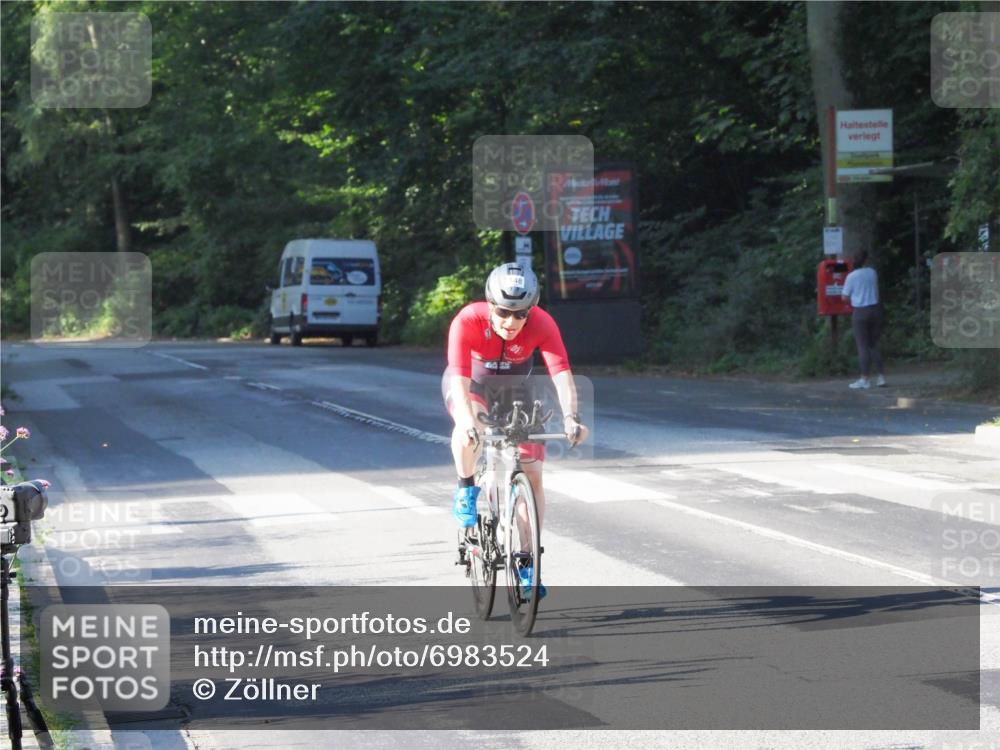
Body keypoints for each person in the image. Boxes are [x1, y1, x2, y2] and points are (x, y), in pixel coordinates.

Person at [443, 262, 589, 599]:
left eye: (520, 314)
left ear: (531, 311)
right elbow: (459, 378)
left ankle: (526, 560)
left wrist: (572, 418)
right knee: (471, 424)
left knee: (532, 473)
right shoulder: (467, 320)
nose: (511, 322)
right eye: (503, 312)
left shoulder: (542, 323)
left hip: (515, 391)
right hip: (471, 386)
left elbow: (561, 372)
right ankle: (466, 489)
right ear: (489, 305)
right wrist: (466, 422)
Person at [841, 250, 886, 389]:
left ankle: (864, 378)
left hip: (860, 311)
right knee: (874, 344)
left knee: (862, 346)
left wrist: (852, 299)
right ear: (866, 260)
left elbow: (844, 297)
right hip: (875, 309)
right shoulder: (872, 273)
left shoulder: (851, 276)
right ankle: (881, 377)